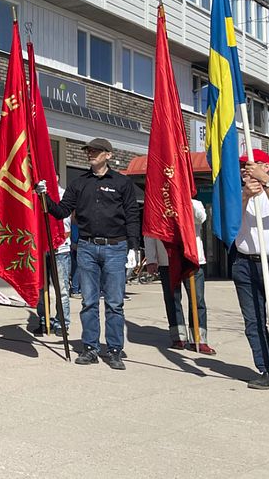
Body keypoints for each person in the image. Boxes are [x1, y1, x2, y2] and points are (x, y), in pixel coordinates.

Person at [39, 138, 140, 370]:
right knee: (89, 301)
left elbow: (133, 215)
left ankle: (114, 350)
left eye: (96, 151)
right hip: (86, 247)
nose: (91, 154)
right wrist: (44, 197)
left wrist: (134, 247)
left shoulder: (122, 183)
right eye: (89, 151)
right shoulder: (79, 183)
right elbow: (62, 211)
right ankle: (90, 348)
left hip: (116, 247)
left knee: (114, 302)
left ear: (108, 155)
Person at [143, 198, 214, 354]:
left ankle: (199, 339)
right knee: (172, 299)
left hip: (192, 259)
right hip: (167, 259)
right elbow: (150, 232)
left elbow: (201, 218)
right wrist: (151, 259)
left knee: (198, 299)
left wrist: (185, 200)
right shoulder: (158, 202)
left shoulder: (194, 202)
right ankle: (178, 337)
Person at [234, 150, 269, 390]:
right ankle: (266, 368)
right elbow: (228, 222)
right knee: (254, 320)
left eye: (253, 165)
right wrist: (244, 196)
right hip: (245, 263)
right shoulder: (236, 194)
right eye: (243, 167)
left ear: (266, 166)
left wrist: (266, 183)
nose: (247, 170)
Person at [33, 186, 71, 336]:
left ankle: (62, 323)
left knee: (61, 289)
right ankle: (44, 320)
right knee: (41, 288)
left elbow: (65, 223)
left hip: (60, 249)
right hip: (41, 248)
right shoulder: (35, 195)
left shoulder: (63, 195)